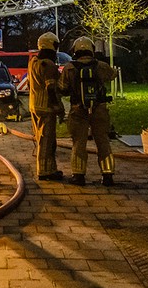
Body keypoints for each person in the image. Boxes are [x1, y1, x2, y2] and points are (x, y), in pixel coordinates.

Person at [59, 36, 118, 186]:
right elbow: (113, 75)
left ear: (75, 50)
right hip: (99, 109)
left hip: (78, 110)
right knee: (103, 141)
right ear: (92, 49)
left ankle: (78, 175)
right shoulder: (101, 66)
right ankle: (108, 174)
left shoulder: (69, 68)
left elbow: (62, 89)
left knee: (79, 142)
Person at [28, 31, 64, 181]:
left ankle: (49, 168)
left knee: (41, 139)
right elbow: (51, 88)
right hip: (46, 107)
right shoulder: (48, 65)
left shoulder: (33, 62)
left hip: (34, 105)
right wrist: (58, 106)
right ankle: (44, 171)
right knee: (47, 141)